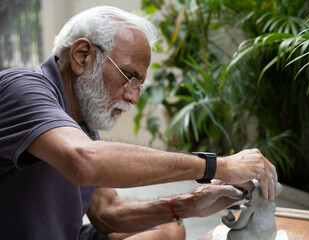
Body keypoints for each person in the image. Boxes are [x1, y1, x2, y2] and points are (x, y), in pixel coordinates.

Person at [0, 6, 278, 240]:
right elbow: (86, 162)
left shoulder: (82, 123)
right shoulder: (21, 88)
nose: (133, 97)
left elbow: (107, 212)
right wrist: (218, 165)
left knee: (169, 230)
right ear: (82, 55)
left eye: (140, 85)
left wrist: (188, 204)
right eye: (129, 76)